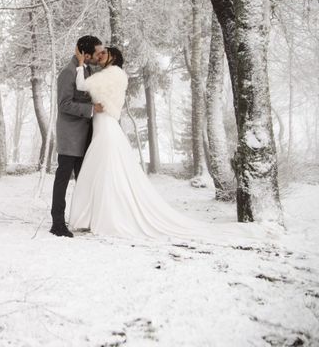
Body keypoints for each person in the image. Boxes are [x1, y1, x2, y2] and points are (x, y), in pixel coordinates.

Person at [68, 46, 261, 243]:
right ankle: (98, 214)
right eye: (98, 54)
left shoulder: (112, 73)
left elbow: (82, 86)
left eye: (103, 54)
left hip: (106, 125)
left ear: (113, 57)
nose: (99, 56)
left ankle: (106, 216)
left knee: (105, 169)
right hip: (104, 125)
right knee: (103, 169)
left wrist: (80, 64)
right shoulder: (114, 74)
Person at [50, 35, 105, 238]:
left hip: (85, 136)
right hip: (71, 136)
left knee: (84, 179)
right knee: (63, 179)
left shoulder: (86, 69)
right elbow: (64, 104)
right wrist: (91, 109)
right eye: (96, 53)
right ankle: (57, 222)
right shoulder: (68, 72)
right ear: (86, 54)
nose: (99, 56)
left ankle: (83, 219)